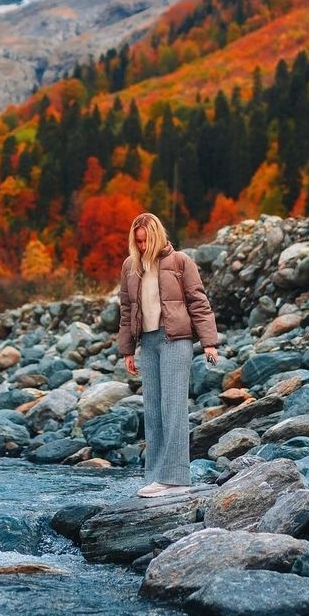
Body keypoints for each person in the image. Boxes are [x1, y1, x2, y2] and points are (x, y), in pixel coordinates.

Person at [117, 212, 219, 497]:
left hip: (176, 339)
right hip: (147, 342)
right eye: (137, 241)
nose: (141, 246)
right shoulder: (129, 267)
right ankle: (156, 476)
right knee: (151, 409)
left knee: (172, 407)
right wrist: (127, 350)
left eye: (145, 240)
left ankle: (174, 479)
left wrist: (209, 342)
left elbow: (199, 301)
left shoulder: (180, 262)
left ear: (157, 236)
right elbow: (126, 311)